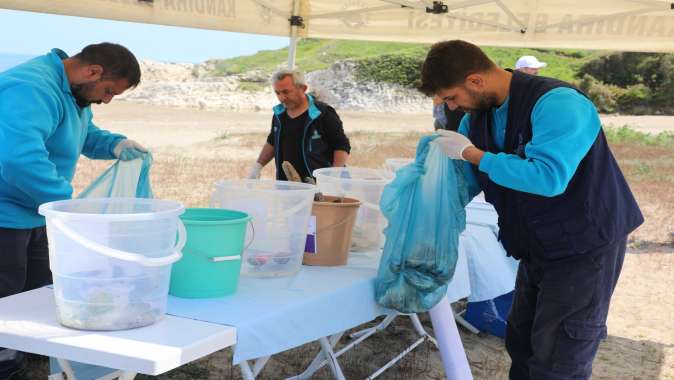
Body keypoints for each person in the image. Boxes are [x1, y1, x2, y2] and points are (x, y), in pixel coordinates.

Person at [418, 40, 643, 379]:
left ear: (476, 81)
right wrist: (419, 203)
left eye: (452, 97)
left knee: (559, 357)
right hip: (535, 244)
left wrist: (473, 155)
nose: (454, 108)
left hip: (584, 245)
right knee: (522, 343)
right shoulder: (475, 120)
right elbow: (464, 184)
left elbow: (548, 177)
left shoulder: (559, 104)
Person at [0, 43, 146, 379]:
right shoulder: (31, 88)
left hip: (36, 211)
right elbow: (20, 159)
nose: (106, 100)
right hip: (6, 212)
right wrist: (66, 202)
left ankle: (29, 351)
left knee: (39, 288)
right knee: (5, 291)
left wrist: (114, 144)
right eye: (108, 91)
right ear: (92, 71)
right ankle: (5, 362)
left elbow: (82, 134)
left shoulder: (73, 92)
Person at [247, 70, 350, 181]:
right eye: (277, 93)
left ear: (303, 89)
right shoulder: (279, 114)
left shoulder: (323, 113)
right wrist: (257, 167)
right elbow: (272, 142)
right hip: (287, 185)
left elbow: (341, 145)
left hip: (320, 184)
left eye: (286, 92)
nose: (281, 98)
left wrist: (333, 175)